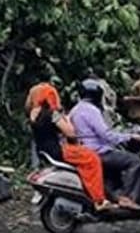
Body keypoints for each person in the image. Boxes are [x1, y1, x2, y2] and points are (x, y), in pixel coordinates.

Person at [27, 83, 117, 212]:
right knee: (92, 159)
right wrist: (66, 119)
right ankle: (99, 200)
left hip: (44, 150)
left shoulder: (33, 113)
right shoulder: (52, 114)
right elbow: (70, 133)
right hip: (57, 150)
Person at [69, 79, 140, 208]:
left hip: (84, 151)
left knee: (113, 169)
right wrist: (130, 136)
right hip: (99, 152)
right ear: (96, 95)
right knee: (134, 161)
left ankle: (114, 196)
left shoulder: (75, 110)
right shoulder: (92, 111)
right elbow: (107, 135)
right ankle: (126, 198)